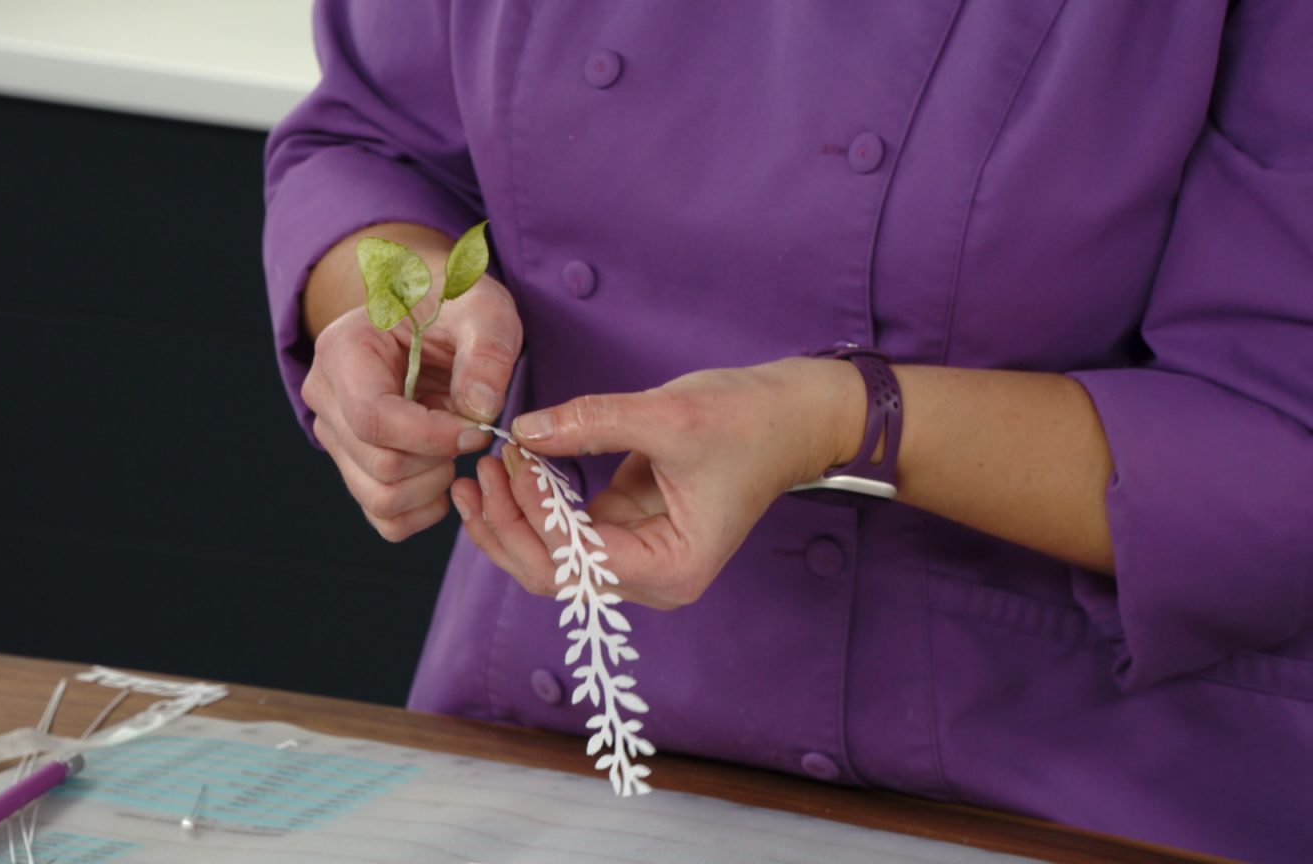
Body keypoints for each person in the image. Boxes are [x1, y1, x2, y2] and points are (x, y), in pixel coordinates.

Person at [262, 2, 1313, 860]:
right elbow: (371, 140)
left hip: (1059, 786)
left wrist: (841, 420)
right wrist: (397, 307)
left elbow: (1274, 445)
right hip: (552, 727)